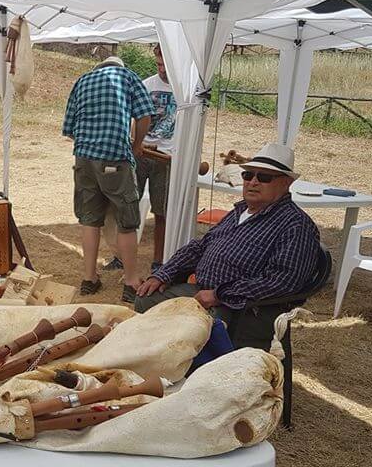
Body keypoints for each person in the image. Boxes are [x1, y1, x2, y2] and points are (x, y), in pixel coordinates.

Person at [133, 143, 320, 349]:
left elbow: (282, 281)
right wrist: (163, 273)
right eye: (248, 175)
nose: (253, 182)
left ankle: (182, 368)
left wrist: (219, 295)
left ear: (286, 183)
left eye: (264, 177)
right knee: (146, 299)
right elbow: (200, 247)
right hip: (201, 290)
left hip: (239, 307)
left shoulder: (295, 225)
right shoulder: (240, 211)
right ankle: (154, 360)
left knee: (205, 327)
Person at [62, 55, 154, 303]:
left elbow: (68, 129)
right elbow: (145, 115)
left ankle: (89, 278)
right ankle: (132, 281)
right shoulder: (128, 77)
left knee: (90, 219)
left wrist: (91, 148)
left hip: (84, 158)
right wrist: (137, 144)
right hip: (115, 157)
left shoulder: (82, 80)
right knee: (127, 220)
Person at [104, 44, 176, 272]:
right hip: (142, 153)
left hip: (167, 158)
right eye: (158, 64)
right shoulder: (147, 85)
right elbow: (134, 118)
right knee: (128, 207)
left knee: (161, 211)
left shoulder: (185, 89)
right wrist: (136, 144)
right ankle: (121, 256)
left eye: (166, 64)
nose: (162, 69)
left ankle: (158, 261)